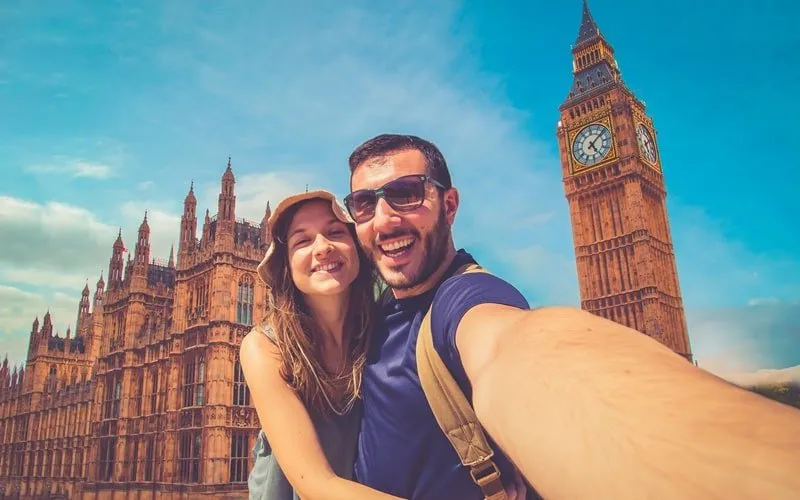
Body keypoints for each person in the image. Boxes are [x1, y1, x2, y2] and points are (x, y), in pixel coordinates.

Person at [343, 133, 800, 499]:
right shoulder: (373, 309)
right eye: (364, 204)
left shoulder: (466, 301)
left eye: (405, 194)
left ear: (449, 205)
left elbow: (519, 351)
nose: (384, 219)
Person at [239, 190, 526, 499]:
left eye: (335, 232)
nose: (322, 247)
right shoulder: (266, 347)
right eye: (302, 241)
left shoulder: (380, 318)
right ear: (287, 265)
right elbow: (315, 484)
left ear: (356, 248)